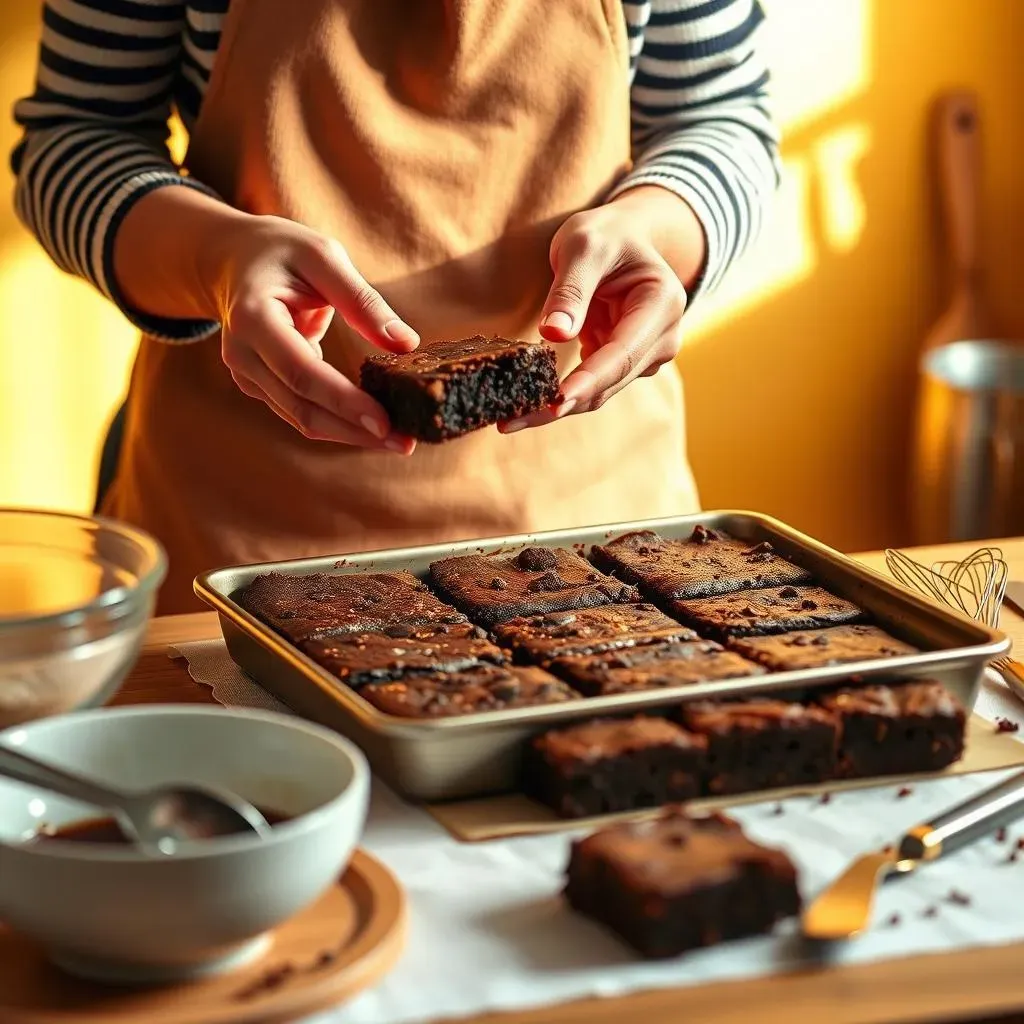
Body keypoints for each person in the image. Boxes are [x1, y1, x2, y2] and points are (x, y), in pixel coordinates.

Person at [12, 0, 779, 615]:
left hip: (595, 530)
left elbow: (724, 116)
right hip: (238, 541)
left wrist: (659, 227)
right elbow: (75, 137)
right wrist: (215, 258)